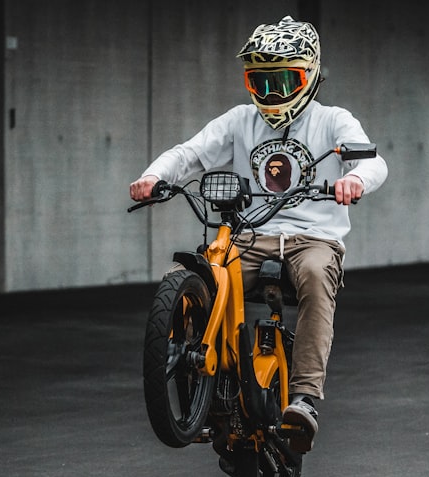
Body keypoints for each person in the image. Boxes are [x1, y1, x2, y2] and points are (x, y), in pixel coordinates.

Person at [129, 15, 388, 453]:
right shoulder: (239, 121)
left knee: (316, 277)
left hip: (313, 238)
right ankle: (204, 378)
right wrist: (153, 176)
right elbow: (190, 154)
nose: (271, 94)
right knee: (206, 272)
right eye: (260, 82)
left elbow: (373, 160)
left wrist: (356, 179)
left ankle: (304, 399)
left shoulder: (332, 121)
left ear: (309, 76)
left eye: (283, 81)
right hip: (251, 234)